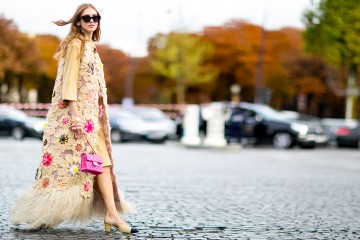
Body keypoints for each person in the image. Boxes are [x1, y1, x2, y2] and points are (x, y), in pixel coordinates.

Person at [10, 3, 139, 234]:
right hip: (77, 121)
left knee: (104, 165)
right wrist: (75, 116)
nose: (92, 21)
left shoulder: (91, 46)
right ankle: (42, 214)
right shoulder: (76, 45)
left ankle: (112, 214)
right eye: (86, 17)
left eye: (96, 17)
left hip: (93, 121)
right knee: (65, 169)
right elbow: (68, 83)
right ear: (78, 21)